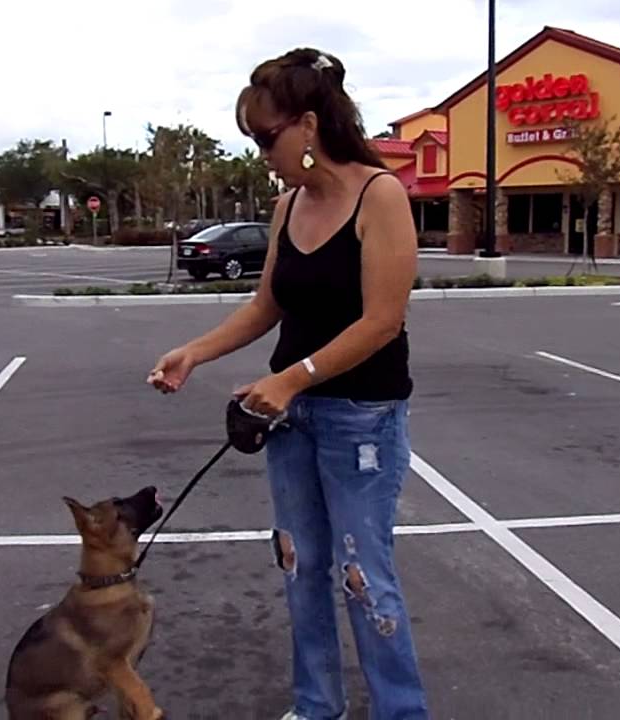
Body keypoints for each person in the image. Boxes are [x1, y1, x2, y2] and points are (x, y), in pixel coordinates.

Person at [147, 47, 428, 720]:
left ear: (308, 124)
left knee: (365, 579)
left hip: (361, 416)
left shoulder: (379, 195)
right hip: (291, 416)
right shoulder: (287, 207)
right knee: (299, 567)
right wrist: (195, 352)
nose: (262, 151)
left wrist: (294, 379)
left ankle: (402, 712)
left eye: (267, 136)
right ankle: (315, 707)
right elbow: (266, 305)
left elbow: (383, 322)